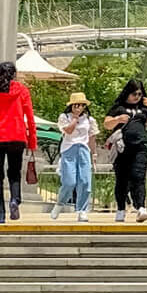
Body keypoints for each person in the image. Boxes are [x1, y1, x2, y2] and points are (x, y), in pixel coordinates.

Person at [0, 61, 38, 225]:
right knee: (14, 173)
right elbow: (30, 117)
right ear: (14, 73)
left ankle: (0, 214)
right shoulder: (22, 91)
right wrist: (32, 140)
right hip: (17, 136)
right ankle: (15, 200)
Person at [102, 78, 147, 222]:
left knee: (138, 177)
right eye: (134, 94)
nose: (137, 97)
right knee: (122, 180)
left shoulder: (143, 110)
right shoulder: (119, 107)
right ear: (128, 93)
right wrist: (117, 120)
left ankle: (141, 207)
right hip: (122, 149)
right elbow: (106, 124)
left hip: (140, 147)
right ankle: (121, 208)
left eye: (140, 94)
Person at [52, 92, 96, 221]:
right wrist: (75, 119)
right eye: (76, 105)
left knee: (85, 181)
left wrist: (94, 153)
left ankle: (82, 210)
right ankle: (60, 203)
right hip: (69, 149)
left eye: (81, 105)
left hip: (83, 149)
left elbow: (92, 137)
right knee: (69, 182)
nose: (78, 107)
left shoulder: (89, 120)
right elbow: (68, 131)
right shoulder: (64, 117)